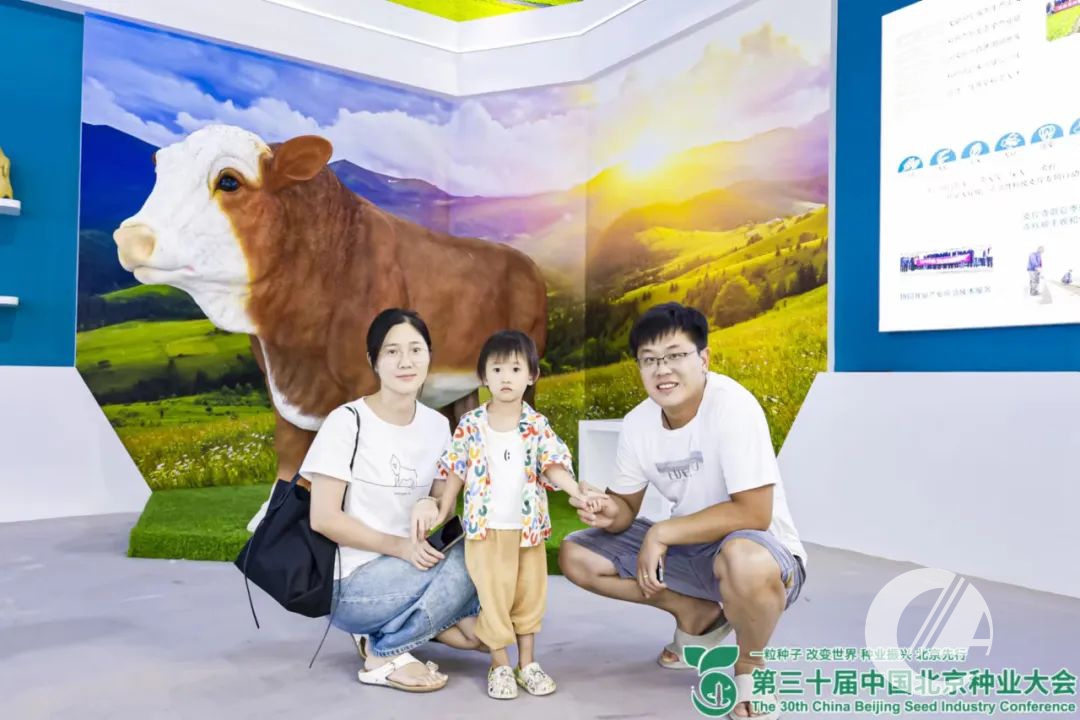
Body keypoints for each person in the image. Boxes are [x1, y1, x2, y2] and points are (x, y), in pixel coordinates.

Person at [559, 303, 807, 720]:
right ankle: (696, 613)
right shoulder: (639, 423)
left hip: (762, 554)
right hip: (692, 551)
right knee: (577, 554)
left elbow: (755, 513)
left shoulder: (733, 406)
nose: (662, 370)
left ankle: (750, 667)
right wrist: (606, 509)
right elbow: (626, 509)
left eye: (675, 355)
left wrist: (661, 534)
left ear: (704, 358)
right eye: (650, 360)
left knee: (742, 558)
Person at [303, 308, 484, 693]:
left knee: (481, 636)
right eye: (392, 351)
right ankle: (384, 652)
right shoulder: (347, 421)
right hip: (354, 583)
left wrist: (431, 505)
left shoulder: (437, 425)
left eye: (416, 349)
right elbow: (323, 518)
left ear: (429, 356)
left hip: (415, 565)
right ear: (373, 361)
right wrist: (400, 547)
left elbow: (444, 501)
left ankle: (390, 628)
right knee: (471, 566)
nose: (406, 361)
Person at [425, 330, 605, 700]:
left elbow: (553, 465)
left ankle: (528, 664)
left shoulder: (537, 425)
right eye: (497, 369)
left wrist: (576, 491)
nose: (506, 377)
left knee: (528, 597)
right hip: (485, 533)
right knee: (493, 599)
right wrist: (443, 506)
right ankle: (500, 665)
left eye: (515, 368)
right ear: (483, 377)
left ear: (532, 376)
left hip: (528, 532)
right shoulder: (471, 424)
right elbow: (455, 470)